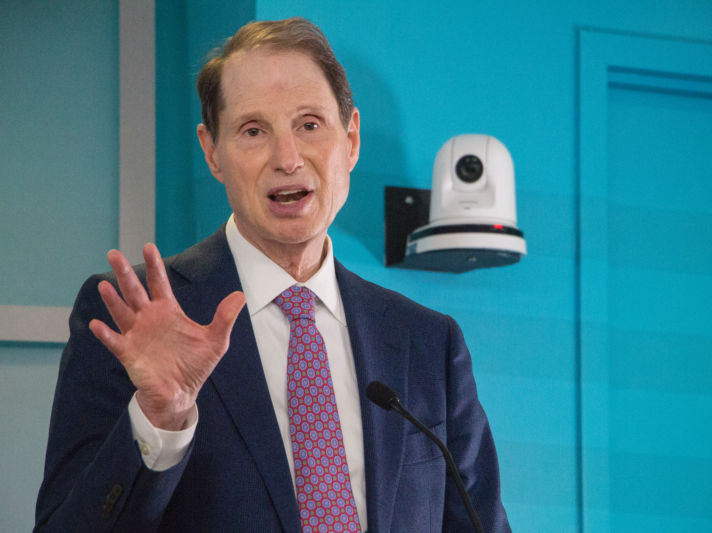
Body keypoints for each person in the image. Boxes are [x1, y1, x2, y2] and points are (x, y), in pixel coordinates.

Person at [35, 17, 510, 533]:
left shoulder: (428, 343)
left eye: (309, 125)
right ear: (212, 151)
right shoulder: (136, 317)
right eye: (253, 130)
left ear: (350, 139)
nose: (287, 159)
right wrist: (158, 419)